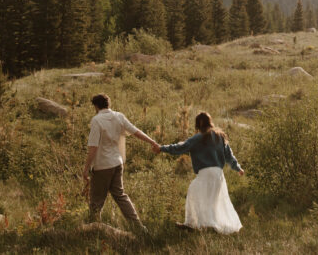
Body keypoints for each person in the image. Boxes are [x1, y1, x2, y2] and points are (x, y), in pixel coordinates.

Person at [155, 111, 244, 234]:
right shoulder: (220, 137)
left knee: (194, 193)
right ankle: (205, 225)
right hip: (218, 175)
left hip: (206, 173)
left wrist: (161, 148)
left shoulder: (197, 138)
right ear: (210, 123)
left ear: (197, 125)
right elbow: (229, 156)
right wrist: (238, 168)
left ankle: (195, 224)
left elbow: (180, 148)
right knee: (212, 200)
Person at [83, 93, 159, 231]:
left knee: (96, 201)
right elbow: (136, 132)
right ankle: (138, 227)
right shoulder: (119, 116)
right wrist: (152, 142)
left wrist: (86, 168)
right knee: (120, 196)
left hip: (102, 166)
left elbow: (93, 147)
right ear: (108, 104)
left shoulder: (97, 120)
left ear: (96, 106)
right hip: (117, 163)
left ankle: (93, 231)